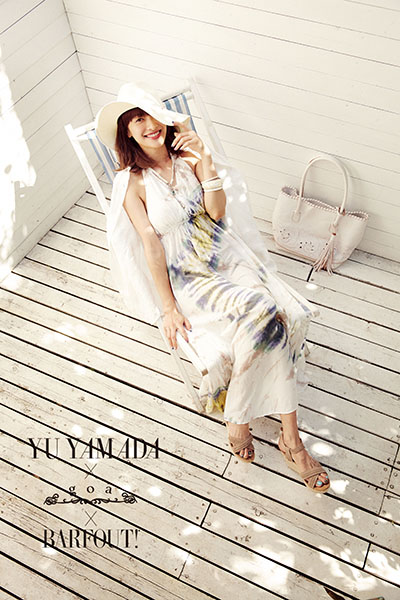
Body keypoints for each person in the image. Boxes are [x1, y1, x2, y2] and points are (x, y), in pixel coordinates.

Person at [95, 82, 330, 493]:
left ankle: (252, 423)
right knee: (266, 311)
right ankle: (286, 439)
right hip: (189, 274)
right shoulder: (132, 183)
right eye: (137, 120)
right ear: (127, 133)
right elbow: (150, 244)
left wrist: (204, 160)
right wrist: (168, 307)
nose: (149, 125)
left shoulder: (189, 155)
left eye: (152, 115)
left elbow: (217, 214)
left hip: (226, 254)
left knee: (282, 314)